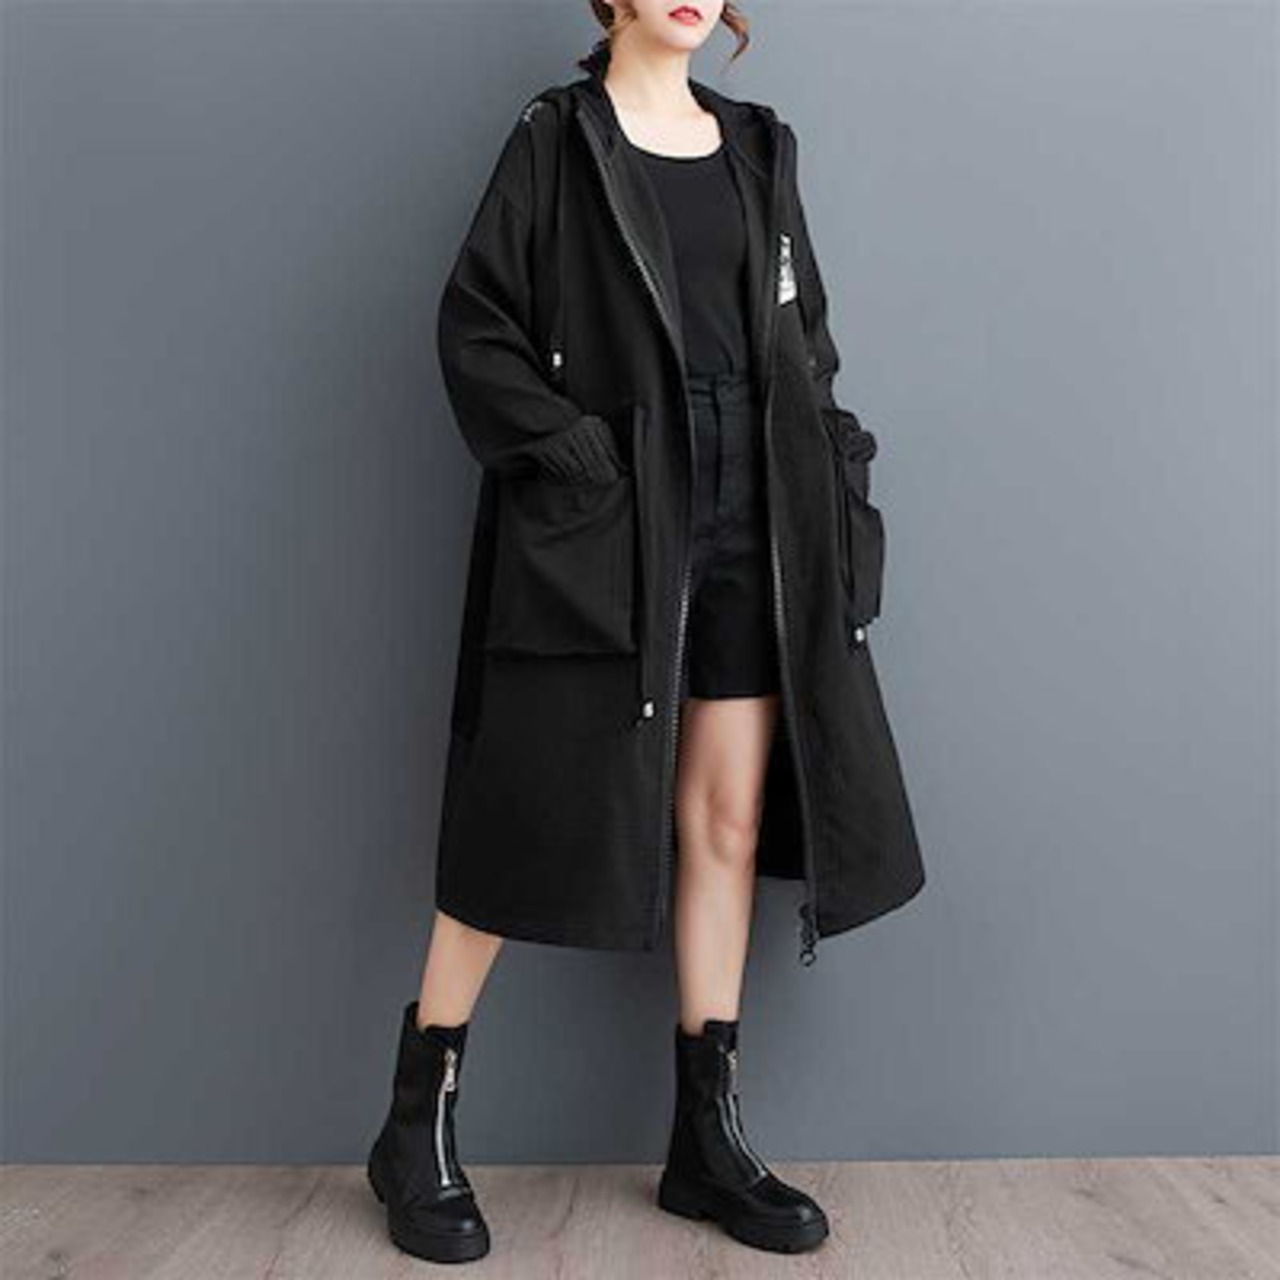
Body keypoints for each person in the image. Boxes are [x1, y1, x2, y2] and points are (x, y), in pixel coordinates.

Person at [366, 0, 926, 1263]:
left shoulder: (759, 145)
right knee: (527, 806)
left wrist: (832, 458)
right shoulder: (557, 139)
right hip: (619, 511)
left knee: (724, 816)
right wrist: (572, 456)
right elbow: (475, 325)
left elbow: (805, 341)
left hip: (755, 513)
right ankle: (415, 1122)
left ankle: (704, 1141)